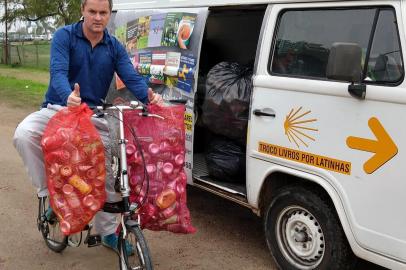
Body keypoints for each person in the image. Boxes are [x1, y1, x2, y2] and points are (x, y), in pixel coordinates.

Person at [13, 0, 162, 253]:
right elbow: (58, 72)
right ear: (82, 10)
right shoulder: (64, 36)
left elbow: (131, 76)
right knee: (24, 134)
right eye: (92, 11)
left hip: (94, 114)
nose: (97, 17)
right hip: (59, 108)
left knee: (114, 165)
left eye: (103, 13)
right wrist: (68, 96)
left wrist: (149, 97)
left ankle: (107, 233)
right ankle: (53, 194)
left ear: (108, 15)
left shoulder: (114, 46)